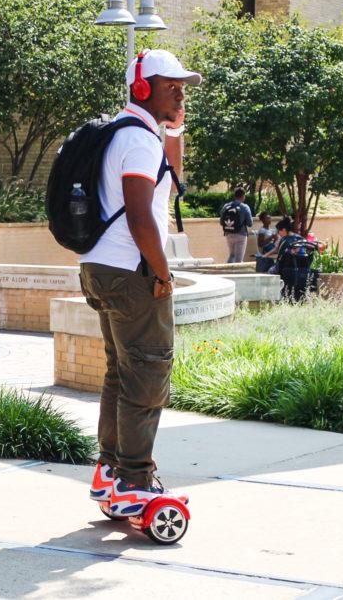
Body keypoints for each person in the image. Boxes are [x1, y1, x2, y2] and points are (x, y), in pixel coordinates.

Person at [83, 49, 200, 516]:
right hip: (132, 271)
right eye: (171, 85)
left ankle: (110, 473)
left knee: (120, 372)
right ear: (143, 88)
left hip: (101, 267)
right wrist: (163, 273)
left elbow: (173, 180)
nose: (180, 92)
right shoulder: (139, 142)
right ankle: (134, 480)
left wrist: (176, 127)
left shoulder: (129, 132)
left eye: (183, 86)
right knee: (148, 375)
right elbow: (140, 215)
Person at [219, 187, 253, 263]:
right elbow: (250, 223)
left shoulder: (226, 206)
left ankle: (227, 272)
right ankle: (236, 273)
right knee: (239, 259)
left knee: (232, 255)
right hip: (241, 235)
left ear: (235, 196)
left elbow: (221, 222)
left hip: (228, 234)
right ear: (243, 196)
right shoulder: (245, 207)